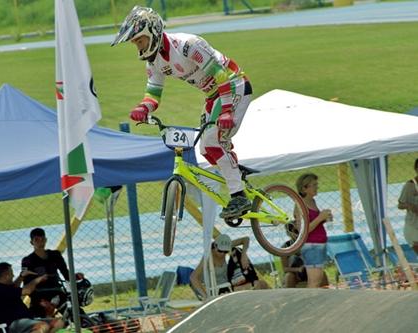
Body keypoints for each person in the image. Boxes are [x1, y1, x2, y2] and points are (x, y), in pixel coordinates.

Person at [111, 6, 254, 220]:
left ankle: (239, 195)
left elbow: (220, 74)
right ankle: (235, 172)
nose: (138, 47)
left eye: (139, 40)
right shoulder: (154, 61)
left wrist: (226, 112)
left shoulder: (188, 45)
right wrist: (143, 107)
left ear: (152, 32)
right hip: (213, 95)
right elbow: (153, 92)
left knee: (213, 141)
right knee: (206, 148)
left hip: (233, 85)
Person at [0, 262, 65, 333]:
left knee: (58, 323)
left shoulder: (3, 287)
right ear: (6, 275)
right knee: (42, 326)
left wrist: (21, 276)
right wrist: (38, 279)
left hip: (25, 321)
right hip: (11, 324)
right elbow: (27, 291)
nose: (13, 276)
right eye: (11, 273)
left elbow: (14, 287)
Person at [189, 234, 269, 299]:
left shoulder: (224, 245)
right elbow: (193, 277)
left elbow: (246, 239)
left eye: (226, 251)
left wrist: (244, 255)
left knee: (262, 284)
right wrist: (207, 297)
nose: (223, 254)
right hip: (219, 290)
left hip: (230, 284)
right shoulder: (208, 257)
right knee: (259, 285)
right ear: (215, 246)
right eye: (220, 251)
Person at [21, 228, 70, 318]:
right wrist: (41, 301)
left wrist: (76, 276)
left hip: (57, 292)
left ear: (46, 240)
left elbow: (66, 274)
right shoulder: (27, 261)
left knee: (74, 313)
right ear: (31, 242)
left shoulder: (55, 255)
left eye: (42, 239)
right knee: (37, 321)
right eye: (36, 240)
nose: (40, 242)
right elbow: (27, 285)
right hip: (39, 296)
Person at [296, 173, 332, 288]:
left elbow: (314, 224)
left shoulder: (312, 202)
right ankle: (308, 303)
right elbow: (302, 230)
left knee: (318, 279)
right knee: (314, 281)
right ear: (304, 188)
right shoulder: (300, 205)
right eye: (314, 185)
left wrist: (324, 219)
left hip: (318, 243)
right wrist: (320, 217)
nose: (317, 187)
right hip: (311, 245)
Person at [281, 224, 328, 288]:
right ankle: (290, 297)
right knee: (289, 277)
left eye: (301, 232)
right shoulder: (285, 247)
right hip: (295, 273)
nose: (299, 235)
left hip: (310, 270)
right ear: (289, 233)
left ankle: (326, 294)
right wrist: (298, 269)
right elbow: (285, 268)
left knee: (322, 274)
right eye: (296, 232)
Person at [397, 158, 418, 254]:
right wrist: (409, 205)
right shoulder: (410, 185)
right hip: (414, 227)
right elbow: (400, 204)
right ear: (415, 168)